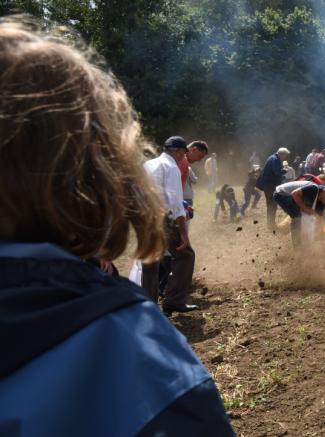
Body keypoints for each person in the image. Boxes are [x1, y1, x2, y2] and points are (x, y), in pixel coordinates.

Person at [0, 19, 233, 435]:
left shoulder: (161, 164)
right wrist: (181, 228)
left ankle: (161, 297)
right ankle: (172, 300)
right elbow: (170, 200)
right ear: (97, 170)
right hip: (160, 224)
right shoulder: (131, 351)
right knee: (171, 258)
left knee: (153, 264)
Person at [141, 136, 199, 314]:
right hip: (163, 218)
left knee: (150, 262)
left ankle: (150, 307)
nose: (183, 157)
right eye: (183, 153)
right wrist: (183, 233)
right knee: (185, 255)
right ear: (177, 151)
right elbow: (174, 203)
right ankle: (174, 300)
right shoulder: (172, 167)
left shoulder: (148, 165)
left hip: (146, 217)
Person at [272, 181, 325, 247]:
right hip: (281, 193)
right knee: (297, 216)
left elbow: (319, 219)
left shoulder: (321, 204)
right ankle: (297, 246)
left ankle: (280, 230)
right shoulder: (313, 189)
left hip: (292, 197)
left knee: (301, 215)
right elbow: (294, 194)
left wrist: (317, 234)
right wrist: (306, 209)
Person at [256, 147, 290, 229]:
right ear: (281, 154)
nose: (285, 158)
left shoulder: (272, 157)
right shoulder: (275, 160)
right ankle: (271, 225)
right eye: (285, 156)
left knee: (271, 204)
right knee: (272, 204)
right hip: (270, 185)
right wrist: (285, 170)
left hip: (268, 184)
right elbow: (277, 172)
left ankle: (270, 224)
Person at [180, 140, 209, 218]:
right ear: (194, 150)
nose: (199, 160)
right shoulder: (183, 162)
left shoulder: (181, 161)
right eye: (199, 156)